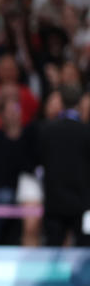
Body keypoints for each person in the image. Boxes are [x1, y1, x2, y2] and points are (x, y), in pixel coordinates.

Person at [36, 83, 90, 247]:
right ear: (79, 103)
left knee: (53, 250)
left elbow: (38, 164)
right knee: (84, 252)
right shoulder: (86, 132)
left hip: (54, 202)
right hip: (83, 203)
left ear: (61, 102)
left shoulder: (46, 130)